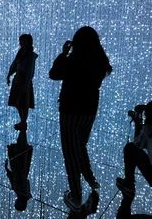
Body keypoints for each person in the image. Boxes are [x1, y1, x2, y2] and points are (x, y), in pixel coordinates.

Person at [49, 26, 112, 211]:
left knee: (70, 152)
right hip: (90, 110)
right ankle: (91, 179)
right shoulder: (100, 61)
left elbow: (53, 74)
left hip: (71, 111)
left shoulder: (74, 61)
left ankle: (76, 195)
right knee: (80, 146)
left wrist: (63, 54)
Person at [116, 101, 152, 218]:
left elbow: (137, 143)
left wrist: (138, 121)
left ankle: (129, 185)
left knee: (130, 148)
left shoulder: (149, 129)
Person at [7, 34, 38, 131]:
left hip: (24, 82)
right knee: (18, 102)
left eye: (23, 41)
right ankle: (22, 121)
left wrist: (26, 83)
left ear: (28, 42)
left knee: (23, 103)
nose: (20, 43)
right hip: (18, 80)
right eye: (20, 41)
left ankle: (23, 122)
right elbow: (15, 64)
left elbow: (29, 71)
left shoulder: (30, 56)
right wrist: (9, 74)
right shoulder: (21, 53)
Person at [5, 129, 33, 211]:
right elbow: (21, 180)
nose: (15, 201)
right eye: (16, 203)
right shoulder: (23, 193)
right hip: (20, 167)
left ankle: (23, 128)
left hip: (19, 168)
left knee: (21, 146)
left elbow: (13, 179)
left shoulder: (23, 194)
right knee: (21, 147)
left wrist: (7, 169)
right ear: (20, 204)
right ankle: (23, 127)